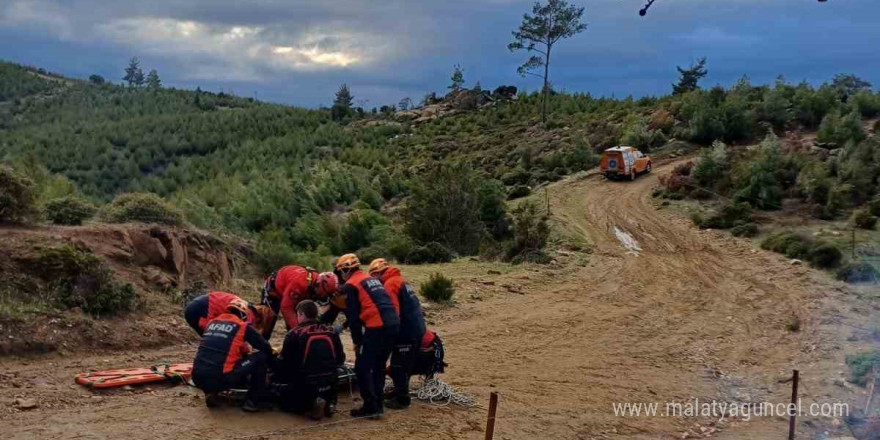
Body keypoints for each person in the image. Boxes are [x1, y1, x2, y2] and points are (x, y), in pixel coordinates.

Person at [336, 253, 399, 419]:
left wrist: (357, 342)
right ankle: (378, 404)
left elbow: (355, 319)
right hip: (393, 324)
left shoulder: (351, 285)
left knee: (362, 367)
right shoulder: (370, 279)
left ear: (345, 269)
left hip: (377, 327)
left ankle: (371, 406)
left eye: (340, 272)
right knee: (378, 366)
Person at [191, 299, 275, 412]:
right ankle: (254, 402)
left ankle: (212, 392)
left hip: (197, 377)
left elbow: (223, 345)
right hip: (221, 377)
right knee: (260, 357)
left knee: (217, 359)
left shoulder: (212, 323)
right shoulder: (242, 326)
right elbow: (265, 347)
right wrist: (274, 362)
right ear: (243, 315)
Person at [367, 258, 426, 409]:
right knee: (401, 364)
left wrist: (387, 334)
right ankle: (398, 393)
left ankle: (402, 399)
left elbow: (394, 312)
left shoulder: (390, 284)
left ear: (379, 273)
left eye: (374, 276)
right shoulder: (399, 280)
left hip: (407, 331)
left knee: (399, 365)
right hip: (416, 327)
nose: (373, 281)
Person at [274, 300, 345, 420]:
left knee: (281, 398)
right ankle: (326, 401)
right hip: (330, 380)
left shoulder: (294, 334)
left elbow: (284, 364)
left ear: (301, 314)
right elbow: (340, 358)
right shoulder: (331, 331)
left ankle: (310, 404)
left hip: (306, 382)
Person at [261, 266, 338, 338]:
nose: (324, 296)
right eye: (325, 293)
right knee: (267, 325)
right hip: (273, 291)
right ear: (319, 284)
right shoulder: (300, 284)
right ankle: (260, 347)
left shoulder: (315, 285)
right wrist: (300, 331)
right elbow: (286, 308)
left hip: (292, 292)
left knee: (295, 328)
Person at [184, 291, 274, 338]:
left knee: (212, 340)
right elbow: (238, 335)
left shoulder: (244, 305)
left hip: (195, 305)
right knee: (216, 339)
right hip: (201, 311)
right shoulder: (248, 315)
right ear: (259, 319)